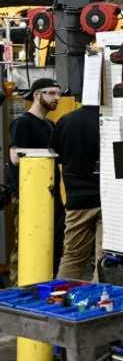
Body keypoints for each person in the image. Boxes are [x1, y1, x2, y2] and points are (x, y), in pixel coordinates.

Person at [6, 77, 60, 284]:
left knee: (48, 244)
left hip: (48, 193)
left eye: (58, 93)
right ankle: (17, 289)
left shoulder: (50, 124)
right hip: (27, 194)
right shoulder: (22, 123)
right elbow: (15, 158)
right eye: (51, 93)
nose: (56, 98)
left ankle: (43, 286)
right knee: (25, 244)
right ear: (37, 95)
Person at [51, 105, 101, 280]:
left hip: (77, 198)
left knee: (72, 256)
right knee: (103, 259)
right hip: (107, 198)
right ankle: (101, 297)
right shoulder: (108, 119)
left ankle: (61, 295)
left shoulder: (66, 121)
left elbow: (58, 156)